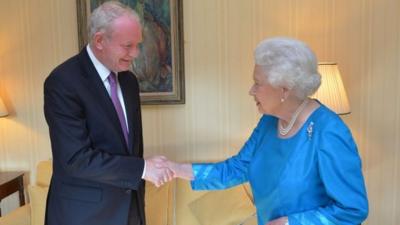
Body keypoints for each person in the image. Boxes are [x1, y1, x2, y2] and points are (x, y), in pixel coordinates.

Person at [169, 37, 369, 225]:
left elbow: (352, 209)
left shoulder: (328, 132)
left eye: (258, 83)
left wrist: (289, 222)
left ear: (284, 90)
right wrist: (176, 169)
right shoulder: (268, 122)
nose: (251, 90)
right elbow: (236, 168)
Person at [43, 2, 173, 225]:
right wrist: (143, 168)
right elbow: (75, 160)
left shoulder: (129, 81)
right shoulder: (62, 82)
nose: (135, 54)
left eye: (138, 45)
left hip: (129, 210)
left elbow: (131, 148)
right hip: (83, 216)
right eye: (128, 46)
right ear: (100, 41)